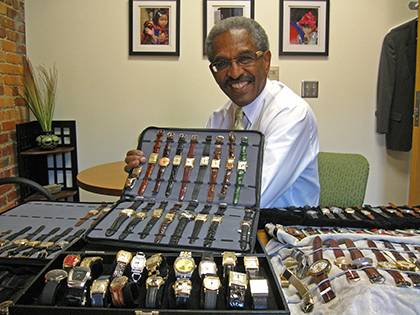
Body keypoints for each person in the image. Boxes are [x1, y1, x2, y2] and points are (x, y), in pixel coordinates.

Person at [126, 16, 319, 208]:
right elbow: (201, 180)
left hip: (279, 231)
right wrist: (151, 171)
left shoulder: (291, 114)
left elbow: (248, 197)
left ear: (266, 61)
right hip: (227, 225)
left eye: (245, 58)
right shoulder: (220, 117)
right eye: (223, 64)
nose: (234, 73)